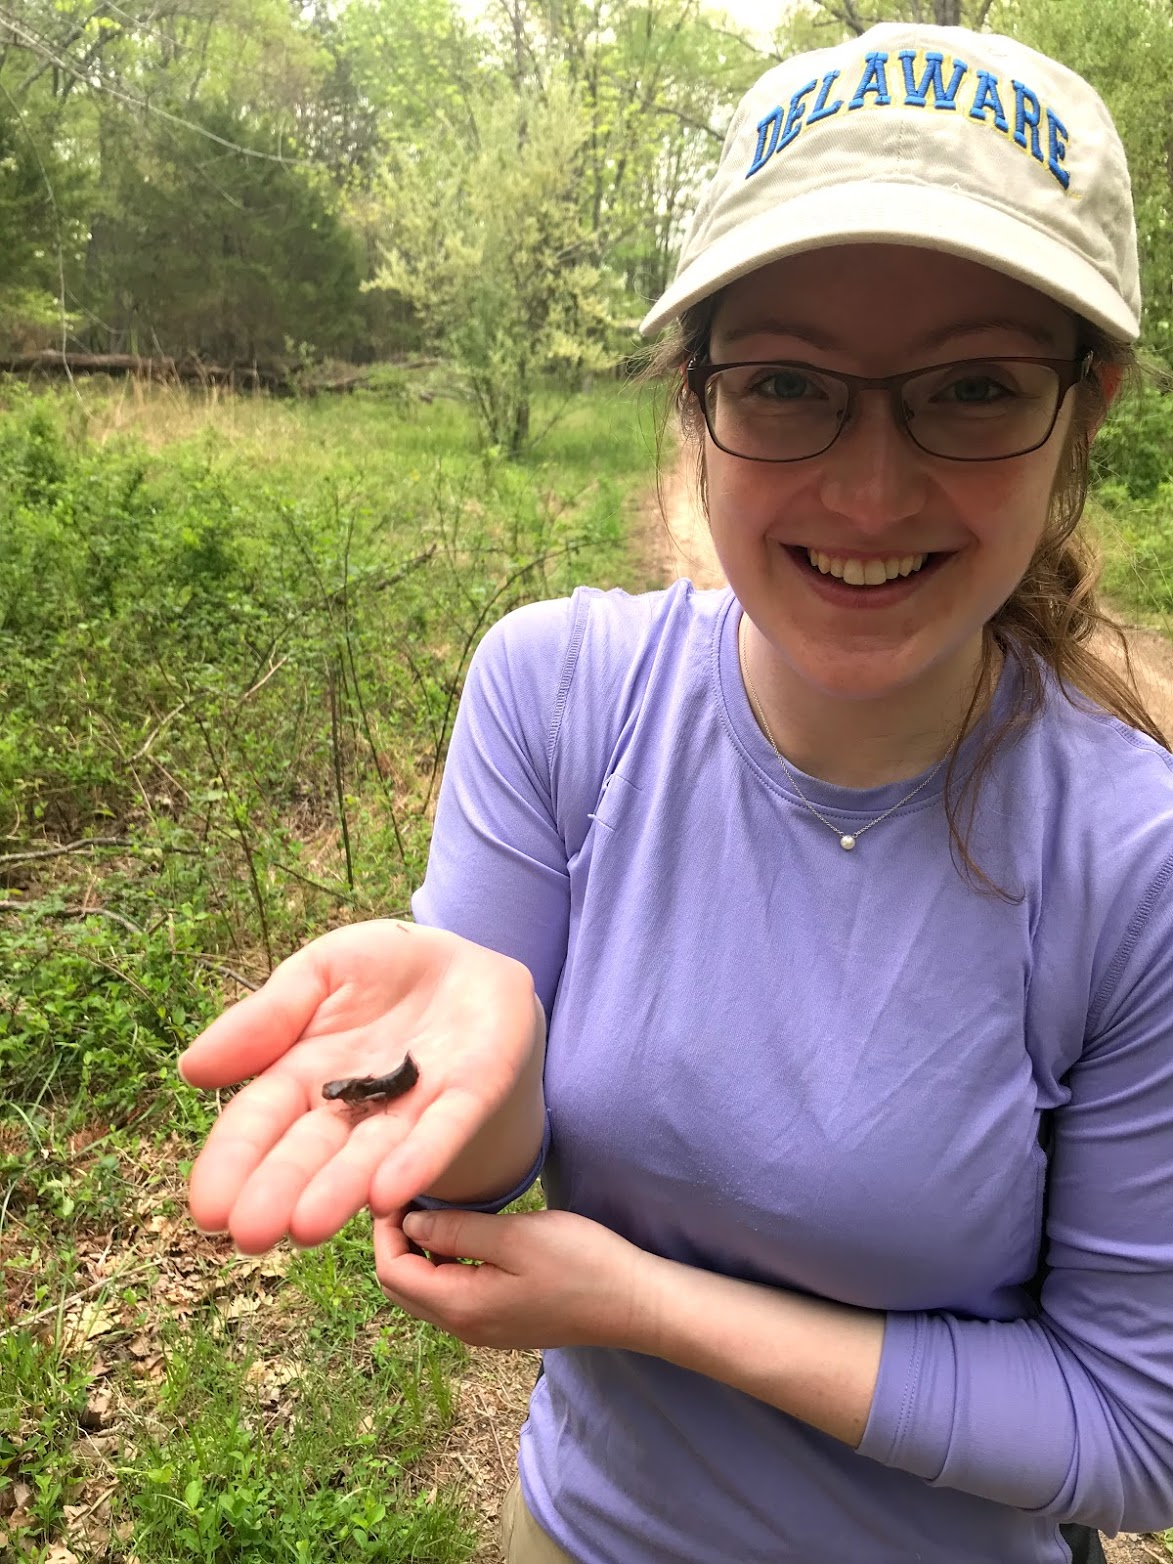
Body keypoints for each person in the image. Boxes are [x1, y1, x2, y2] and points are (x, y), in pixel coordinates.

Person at [178, 21, 1173, 1564]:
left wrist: (647, 1308)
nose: (868, 490)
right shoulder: (556, 695)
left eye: (971, 390)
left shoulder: (1135, 860)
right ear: (695, 396)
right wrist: (487, 1070)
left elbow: (1136, 1430)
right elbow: (476, 1161)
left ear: (1085, 407)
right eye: (787, 384)